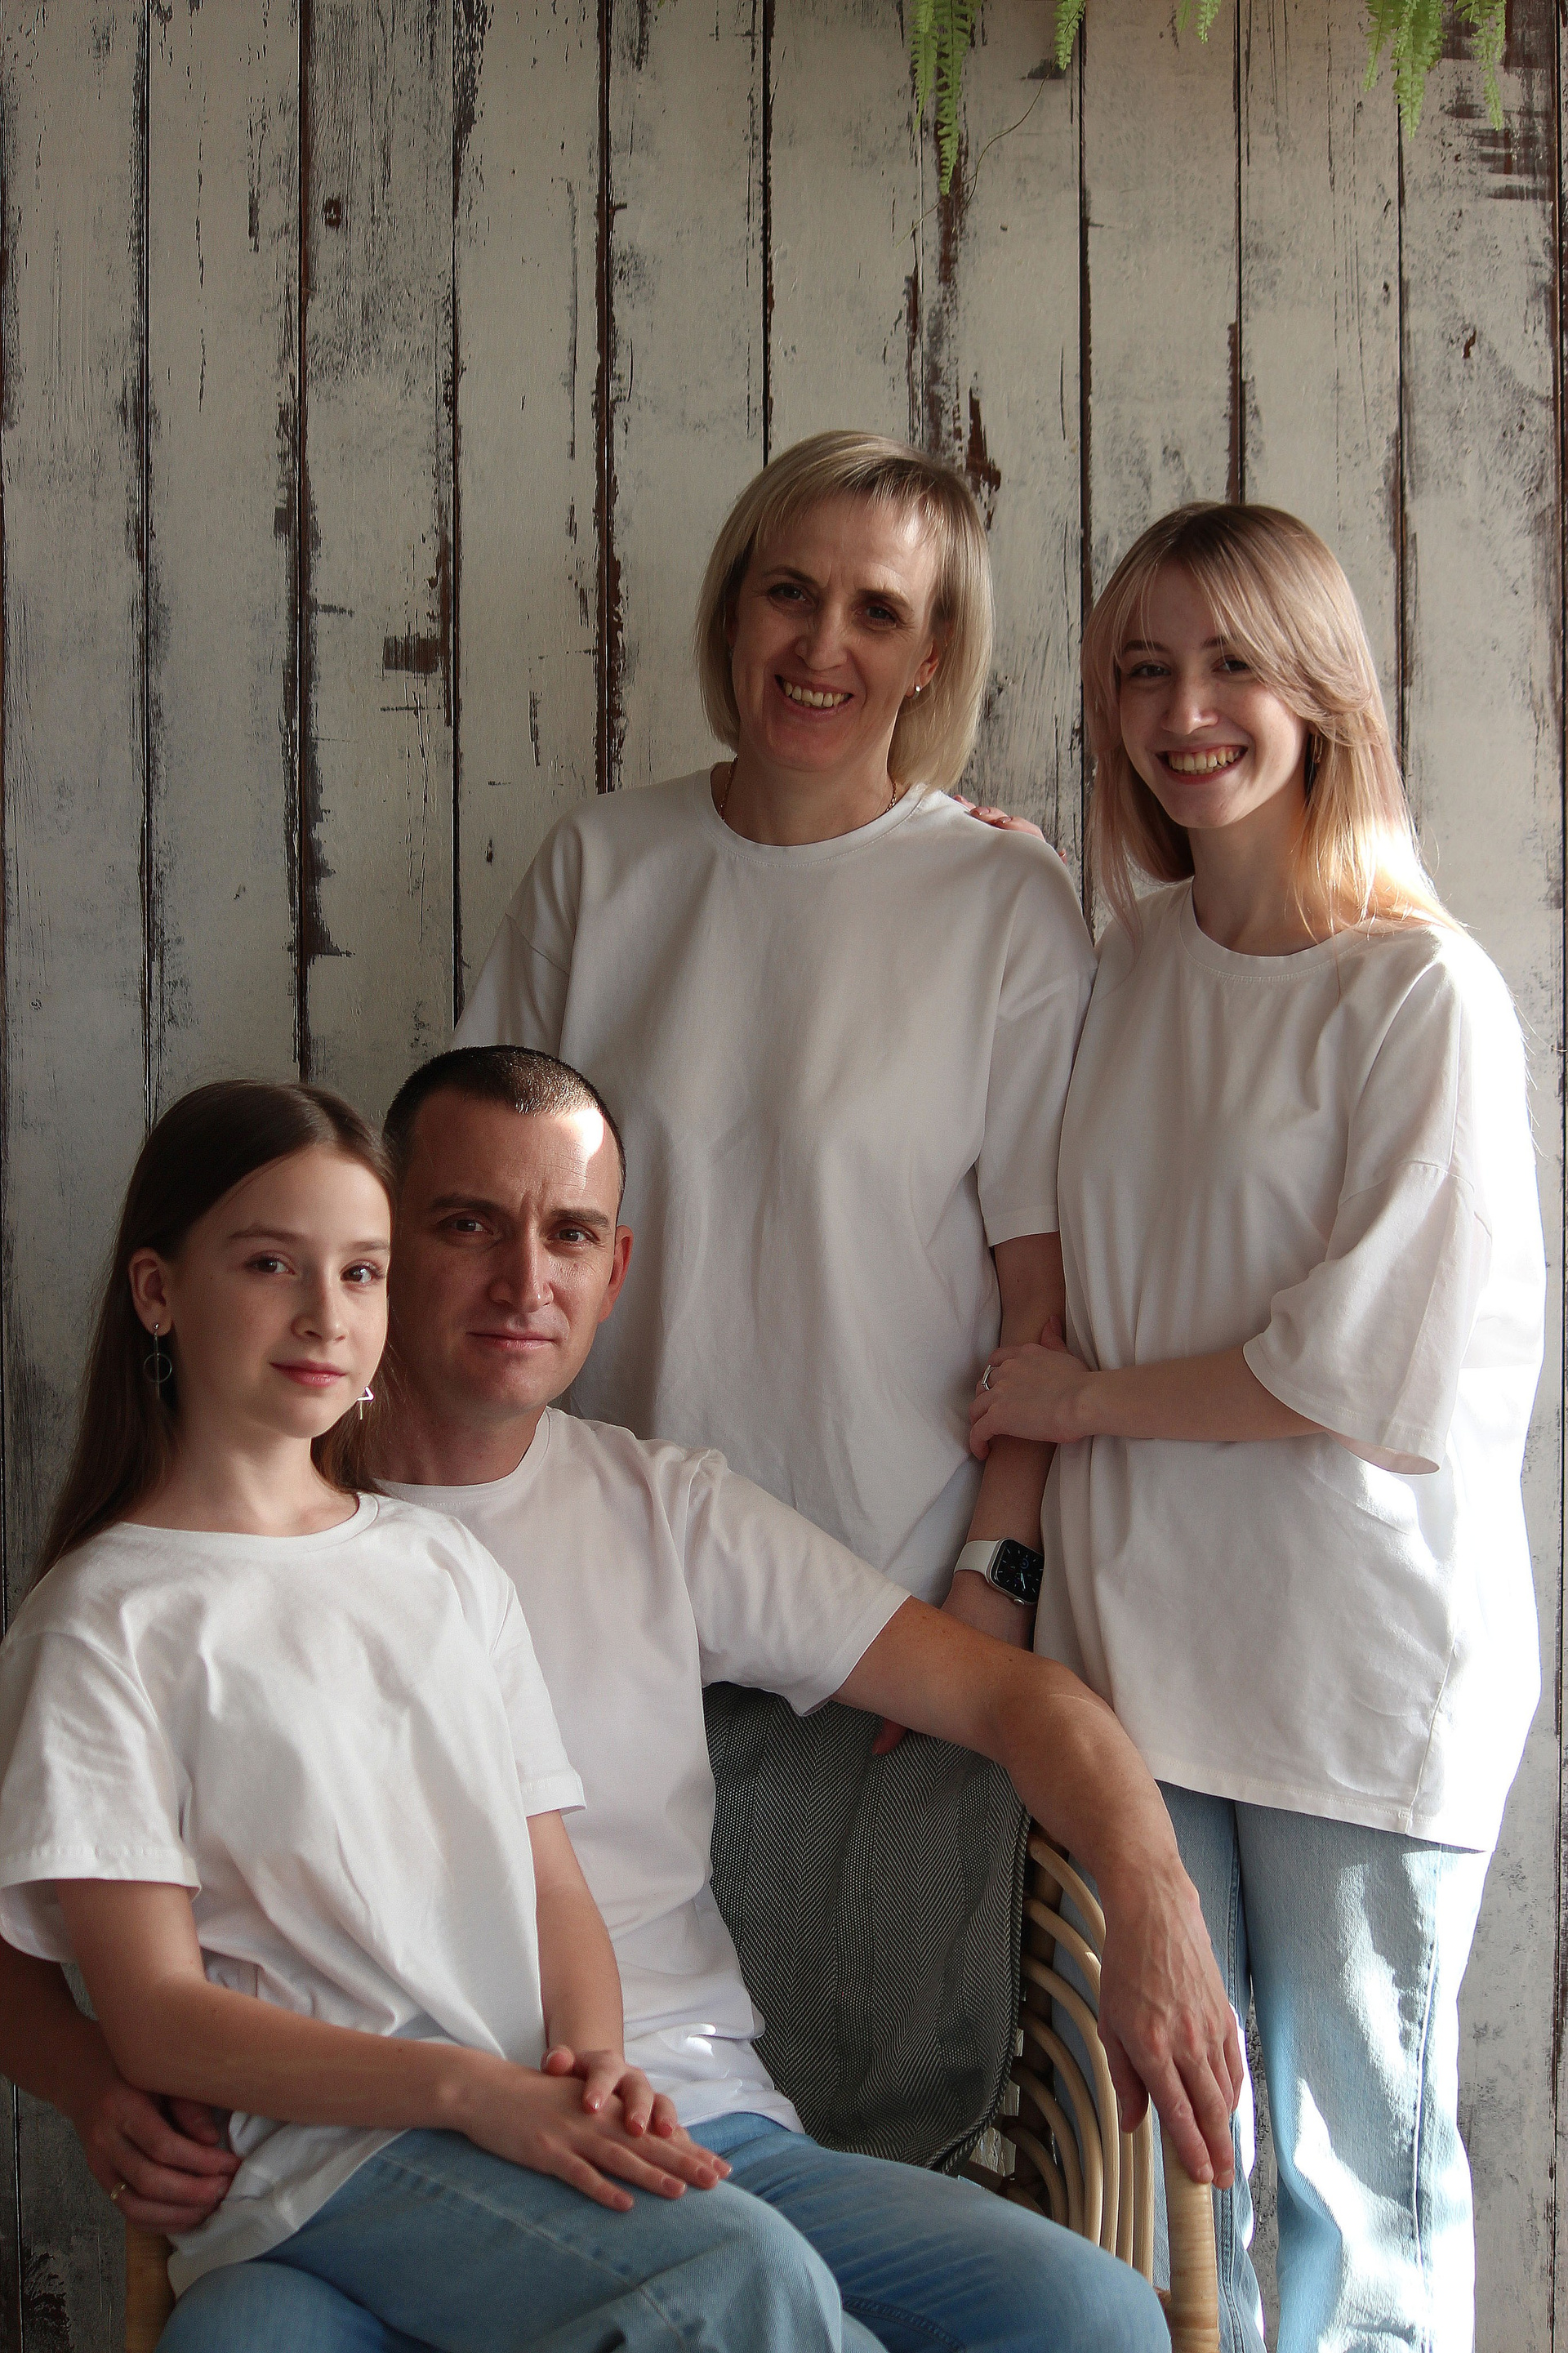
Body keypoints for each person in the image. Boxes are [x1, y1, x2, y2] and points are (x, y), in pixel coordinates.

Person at [2, 1046, 1244, 2351]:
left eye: (571, 1234)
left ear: (615, 1266)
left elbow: (1011, 1698)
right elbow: (83, 1925)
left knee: (1085, 2311)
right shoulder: (140, 1597)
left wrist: (1155, 1887)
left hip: (669, 2109)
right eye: (466, 1225)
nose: (524, 1281)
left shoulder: (626, 1521)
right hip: (345, 2150)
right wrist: (92, 2079)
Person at [0, 1077, 874, 2353]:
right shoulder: (109, 1619)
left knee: (763, 2279)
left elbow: (552, 1883)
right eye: (270, 1264)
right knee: (739, 2272)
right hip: (317, 2158)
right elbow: (157, 2016)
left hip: (509, 2118)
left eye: (361, 1272)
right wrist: (468, 2092)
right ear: (157, 1290)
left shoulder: (442, 1567)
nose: (326, 1313)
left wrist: (591, 2060)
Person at [969, 503, 1545, 2353]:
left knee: (1353, 2188)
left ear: (1321, 690)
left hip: (1346, 1670)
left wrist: (1081, 1402)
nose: (1184, 711)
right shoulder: (1128, 965)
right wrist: (965, 872)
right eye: (1144, 670)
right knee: (1173, 2190)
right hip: (1143, 1655)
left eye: (1231, 663)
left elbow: (1363, 1373)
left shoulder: (1417, 990)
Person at [457, 430, 1094, 1639]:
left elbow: (1043, 1307)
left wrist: (993, 1580)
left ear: (931, 657)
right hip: (604, 1588)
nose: (821, 645)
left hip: (892, 1609)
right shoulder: (600, 866)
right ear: (734, 609)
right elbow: (463, 1225)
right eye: (790, 592)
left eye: (878, 611)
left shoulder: (1006, 899)